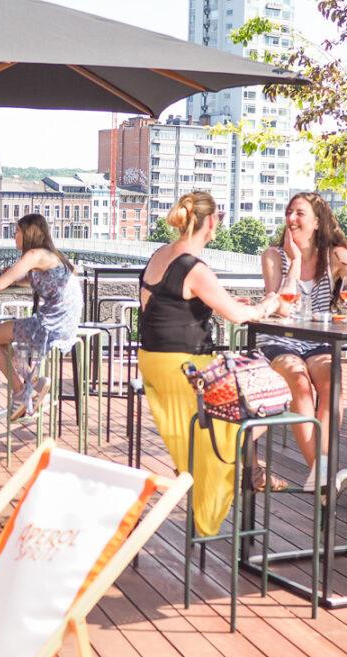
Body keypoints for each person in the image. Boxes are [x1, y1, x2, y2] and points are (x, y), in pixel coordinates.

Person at [137, 191, 281, 538]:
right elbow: (236, 317)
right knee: (271, 392)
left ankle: (248, 465)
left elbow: (165, 308)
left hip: (154, 363)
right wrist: (269, 304)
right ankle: (244, 466)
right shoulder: (194, 267)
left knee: (240, 401)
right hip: (187, 370)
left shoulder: (160, 254)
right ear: (212, 222)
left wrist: (228, 303)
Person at [259, 191, 347, 493]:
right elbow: (280, 305)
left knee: (331, 382)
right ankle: (321, 473)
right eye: (289, 212)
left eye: (299, 213)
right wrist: (294, 260)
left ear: (317, 222)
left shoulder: (333, 255)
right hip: (280, 339)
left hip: (318, 340)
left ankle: (321, 475)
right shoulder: (274, 255)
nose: (291, 219)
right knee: (299, 382)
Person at [0, 214, 82, 420]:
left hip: (51, 323)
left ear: (28, 233)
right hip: (66, 321)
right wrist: (18, 279)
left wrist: (4, 276)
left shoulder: (34, 255)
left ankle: (20, 391)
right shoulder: (52, 255)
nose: (14, 236)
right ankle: (35, 381)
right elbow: (43, 278)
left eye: (17, 231)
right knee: (8, 338)